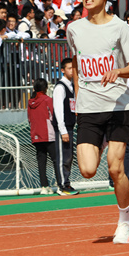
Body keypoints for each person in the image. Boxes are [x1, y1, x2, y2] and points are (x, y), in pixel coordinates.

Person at [66, 0, 129, 244]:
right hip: (88, 108)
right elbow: (76, 62)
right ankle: (98, 142)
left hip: (118, 106)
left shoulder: (120, 27)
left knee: (115, 168)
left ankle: (125, 223)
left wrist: (118, 71)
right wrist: (78, 94)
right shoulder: (74, 28)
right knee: (87, 170)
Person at [51, 58, 79, 196]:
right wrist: (62, 130)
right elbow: (58, 110)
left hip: (70, 126)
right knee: (62, 157)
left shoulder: (72, 86)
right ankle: (62, 185)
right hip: (63, 127)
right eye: (69, 68)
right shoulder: (60, 87)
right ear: (62, 70)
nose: (72, 71)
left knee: (68, 157)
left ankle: (66, 182)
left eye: (73, 68)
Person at [27, 77, 59, 195]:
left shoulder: (30, 102)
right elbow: (54, 116)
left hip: (36, 134)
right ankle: (60, 184)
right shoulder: (48, 100)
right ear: (45, 88)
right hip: (49, 134)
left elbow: (29, 119)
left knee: (41, 161)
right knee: (56, 160)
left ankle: (44, 186)